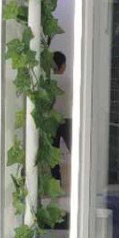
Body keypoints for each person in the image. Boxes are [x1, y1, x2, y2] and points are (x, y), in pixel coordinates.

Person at [51, 51, 70, 182]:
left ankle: (56, 181)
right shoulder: (69, 80)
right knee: (74, 147)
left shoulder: (49, 81)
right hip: (68, 119)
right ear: (62, 65)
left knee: (54, 152)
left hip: (53, 120)